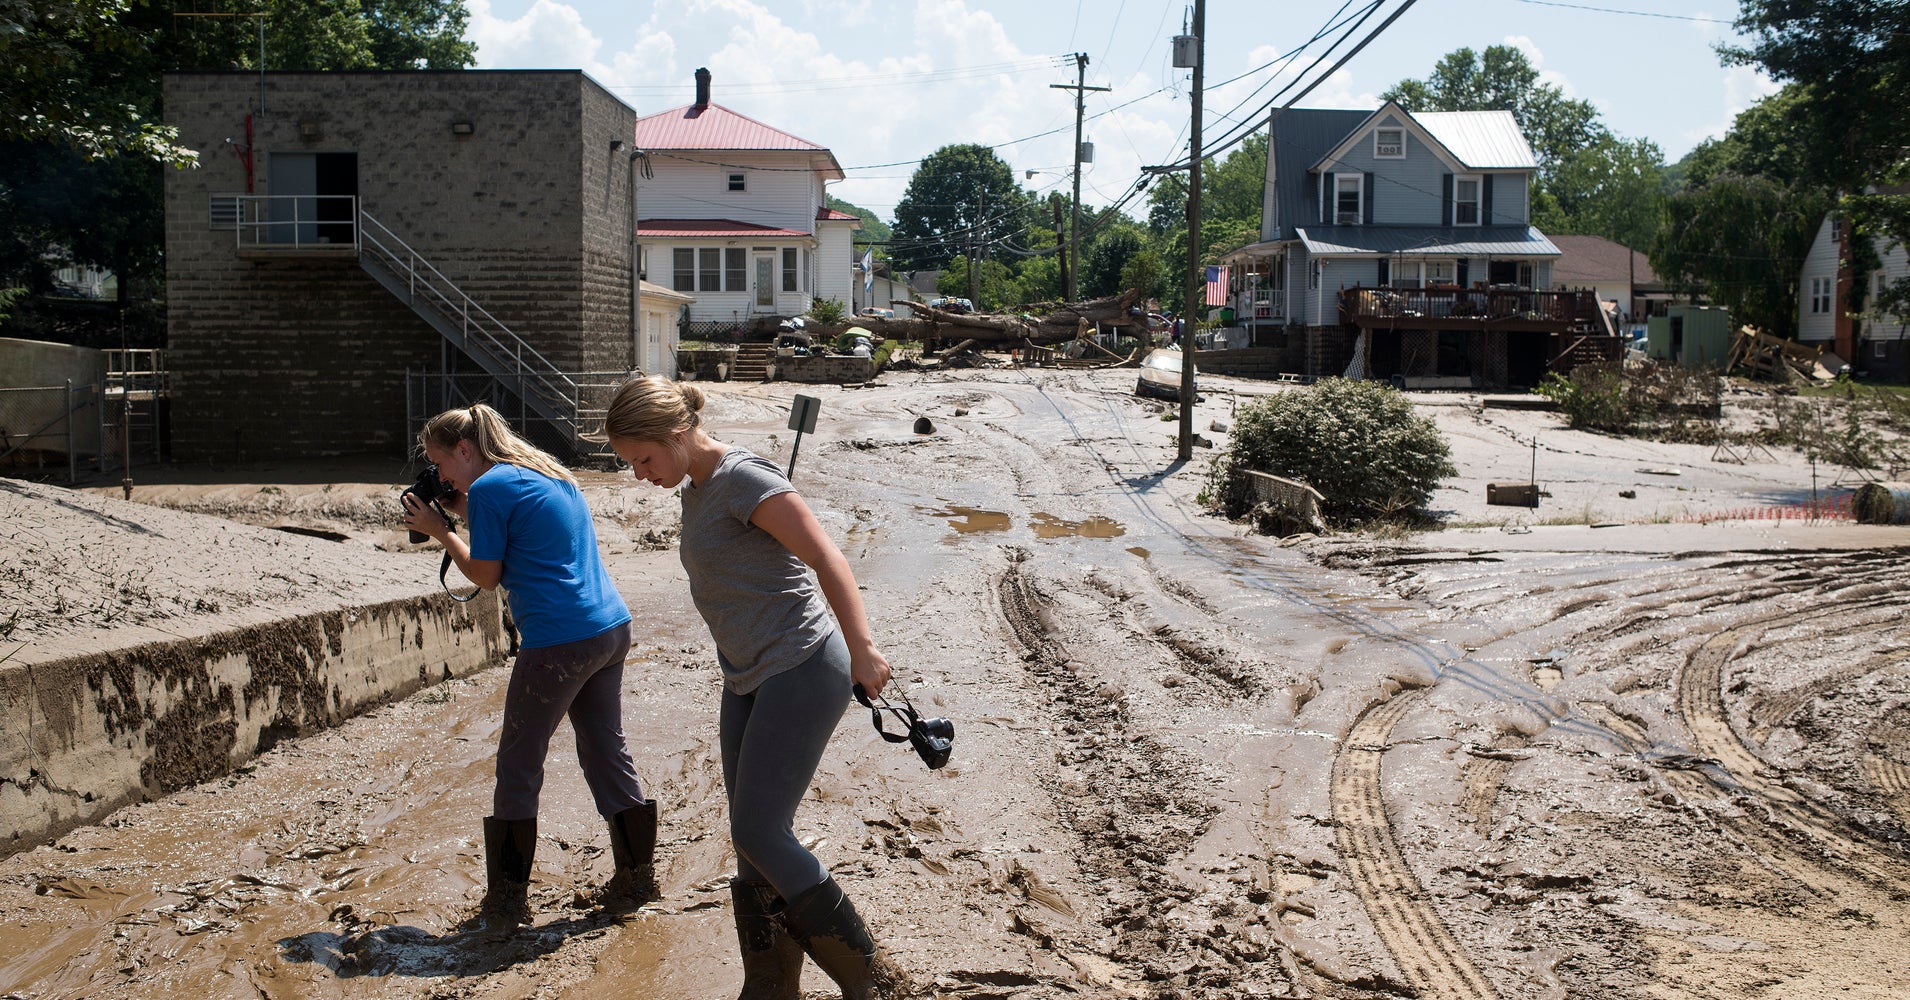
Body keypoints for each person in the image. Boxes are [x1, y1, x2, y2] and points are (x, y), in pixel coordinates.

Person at [600, 376, 914, 1000]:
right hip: (745, 676)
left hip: (800, 663)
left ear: (678, 435)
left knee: (760, 832)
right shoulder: (695, 487)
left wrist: (864, 648)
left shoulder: (747, 480)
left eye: (643, 458)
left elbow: (829, 558)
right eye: (629, 463)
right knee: (753, 846)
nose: (639, 474)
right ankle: (769, 986)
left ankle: (874, 985)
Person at [403, 403, 657, 929]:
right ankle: (638, 878)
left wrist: (440, 529)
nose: (440, 475)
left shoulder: (491, 489)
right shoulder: (547, 473)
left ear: (465, 450)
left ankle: (506, 902)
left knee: (518, 763)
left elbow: (487, 576)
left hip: (558, 642)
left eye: (441, 463)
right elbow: (527, 532)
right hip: (608, 628)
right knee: (606, 750)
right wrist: (462, 508)